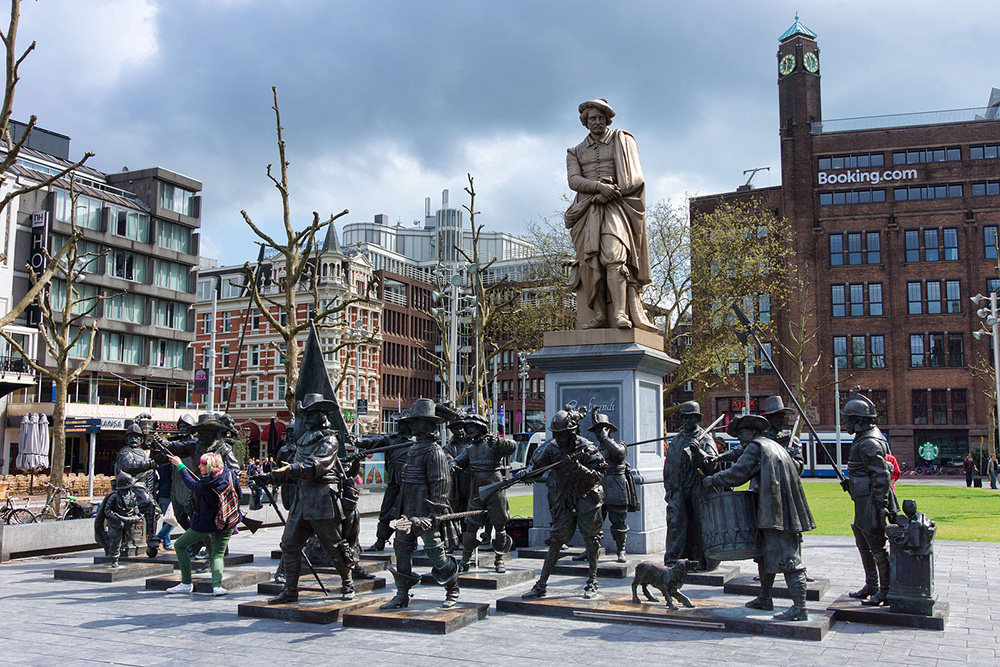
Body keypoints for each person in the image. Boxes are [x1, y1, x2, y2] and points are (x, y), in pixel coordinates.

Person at [702, 414, 816, 621]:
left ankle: (800, 607)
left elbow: (739, 472)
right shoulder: (772, 445)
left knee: (789, 559)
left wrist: (712, 479)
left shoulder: (756, 447)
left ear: (752, 433)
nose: (741, 441)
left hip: (776, 511)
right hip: (776, 509)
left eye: (742, 435)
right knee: (764, 554)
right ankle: (765, 597)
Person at [565, 98, 656, 331]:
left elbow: (635, 176)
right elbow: (574, 181)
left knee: (613, 257)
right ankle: (599, 315)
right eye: (592, 118)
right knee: (590, 262)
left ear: (607, 119)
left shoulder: (622, 140)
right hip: (588, 210)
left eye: (600, 118)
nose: (597, 122)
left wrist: (612, 191)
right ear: (585, 123)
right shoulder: (575, 152)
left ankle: (620, 313)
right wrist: (599, 188)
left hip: (617, 206)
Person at [265, 393, 357, 604]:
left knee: (333, 545)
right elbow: (294, 470)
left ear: (321, 416)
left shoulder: (329, 439)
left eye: (309, 414)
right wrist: (272, 475)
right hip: (302, 498)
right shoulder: (302, 439)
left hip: (322, 498)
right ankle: (290, 590)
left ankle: (347, 582)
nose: (304, 418)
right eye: (303, 414)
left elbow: (318, 464)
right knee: (289, 544)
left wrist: (293, 469)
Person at [521, 406, 608, 600]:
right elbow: (536, 467)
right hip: (564, 500)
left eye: (563, 434)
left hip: (587, 498)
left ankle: (592, 582)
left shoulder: (587, 448)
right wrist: (525, 473)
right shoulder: (552, 447)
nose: (559, 438)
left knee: (592, 541)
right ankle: (541, 585)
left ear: (572, 431)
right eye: (557, 434)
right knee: (556, 541)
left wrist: (579, 468)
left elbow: (599, 475)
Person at [381, 398, 461, 609]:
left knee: (435, 552)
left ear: (425, 425)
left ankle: (452, 588)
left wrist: (433, 513)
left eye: (415, 421)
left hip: (426, 513)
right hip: (407, 511)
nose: (410, 425)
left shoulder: (434, 452)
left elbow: (441, 485)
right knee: (402, 551)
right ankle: (401, 595)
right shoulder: (413, 449)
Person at [842, 393, 898, 607]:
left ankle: (886, 590)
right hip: (863, 498)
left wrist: (880, 506)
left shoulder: (869, 442)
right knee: (863, 541)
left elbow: (881, 475)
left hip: (871, 502)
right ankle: (872, 585)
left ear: (859, 420)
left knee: (876, 545)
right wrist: (852, 483)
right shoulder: (863, 438)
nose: (846, 423)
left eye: (848, 418)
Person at [163, 451, 242, 596]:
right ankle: (217, 586)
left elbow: (190, 484)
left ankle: (186, 583)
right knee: (217, 555)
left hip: (207, 523)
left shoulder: (208, 484)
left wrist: (180, 466)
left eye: (202, 464)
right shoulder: (230, 475)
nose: (199, 467)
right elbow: (239, 494)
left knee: (179, 545)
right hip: (228, 521)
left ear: (210, 467)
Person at [453, 414, 516, 573]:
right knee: (471, 525)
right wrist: (452, 464)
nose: (469, 430)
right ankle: (465, 559)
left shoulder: (492, 444)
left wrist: (499, 442)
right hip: (476, 488)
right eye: (468, 428)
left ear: (481, 428)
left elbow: (512, 446)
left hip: (494, 486)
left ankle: (499, 559)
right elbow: (459, 460)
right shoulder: (470, 449)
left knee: (499, 524)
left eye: (472, 427)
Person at [663, 401, 720, 570]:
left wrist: (699, 453)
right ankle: (673, 560)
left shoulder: (706, 439)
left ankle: (703, 560)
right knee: (675, 521)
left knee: (702, 523)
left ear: (698, 419)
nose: (688, 421)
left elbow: (713, 466)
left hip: (699, 487)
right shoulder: (677, 440)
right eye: (686, 418)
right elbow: (669, 468)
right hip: (679, 488)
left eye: (692, 418)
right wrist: (670, 491)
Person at [586, 413, 637, 563]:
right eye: (596, 430)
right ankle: (590, 550)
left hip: (616, 487)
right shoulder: (593, 449)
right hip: (598, 489)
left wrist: (605, 438)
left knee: (618, 522)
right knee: (592, 522)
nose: (598, 433)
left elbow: (619, 454)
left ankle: (621, 551)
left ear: (608, 430)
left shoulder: (619, 444)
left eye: (601, 429)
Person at [362, 413, 413, 552]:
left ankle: (409, 542)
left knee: (410, 513)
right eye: (398, 423)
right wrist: (361, 442)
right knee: (385, 511)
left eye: (402, 423)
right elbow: (375, 441)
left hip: (411, 483)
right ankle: (380, 541)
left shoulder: (417, 441)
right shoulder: (391, 439)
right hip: (393, 481)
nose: (399, 426)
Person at [94, 472, 144, 567]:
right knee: (115, 541)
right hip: (116, 523)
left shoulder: (132, 495)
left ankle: (118, 553)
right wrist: (115, 517)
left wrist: (136, 514)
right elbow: (107, 510)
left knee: (126, 539)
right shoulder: (114, 496)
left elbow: (135, 507)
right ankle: (114, 559)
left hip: (128, 522)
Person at [153, 462, 174, 550]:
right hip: (170, 493)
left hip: (162, 493)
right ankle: (159, 537)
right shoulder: (171, 464)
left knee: (167, 519)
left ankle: (167, 543)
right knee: (172, 520)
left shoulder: (160, 464)